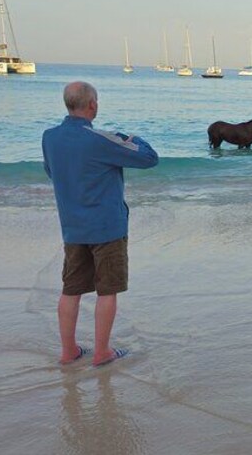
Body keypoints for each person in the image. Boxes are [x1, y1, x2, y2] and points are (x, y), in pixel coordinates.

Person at [42, 82, 159, 366]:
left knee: (71, 289)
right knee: (108, 290)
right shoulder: (99, 139)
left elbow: (50, 171)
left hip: (72, 227)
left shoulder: (49, 137)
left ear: (67, 104)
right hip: (107, 227)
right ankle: (102, 352)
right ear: (92, 105)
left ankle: (68, 351)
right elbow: (149, 158)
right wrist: (130, 136)